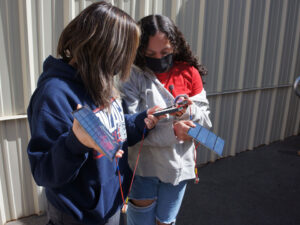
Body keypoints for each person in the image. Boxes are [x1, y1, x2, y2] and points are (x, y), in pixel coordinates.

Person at [26, 2, 163, 225]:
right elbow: (44, 173)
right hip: (77, 215)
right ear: (106, 51)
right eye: (125, 53)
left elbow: (112, 130)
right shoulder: (55, 94)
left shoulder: (103, 83)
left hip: (110, 204)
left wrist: (141, 121)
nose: (126, 62)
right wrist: (75, 143)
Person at [121, 14, 212, 225]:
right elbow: (130, 130)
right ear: (139, 50)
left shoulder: (190, 73)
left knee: (166, 221)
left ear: (176, 46)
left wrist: (188, 111)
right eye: (150, 53)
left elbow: (205, 122)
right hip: (143, 166)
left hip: (177, 169)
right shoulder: (132, 75)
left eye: (165, 52)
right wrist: (174, 132)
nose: (158, 58)